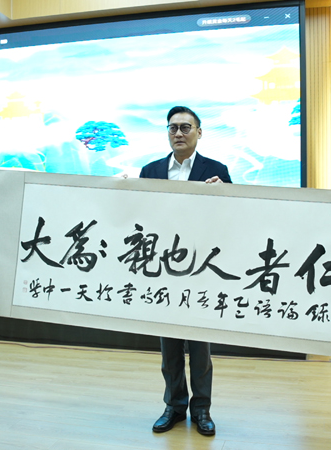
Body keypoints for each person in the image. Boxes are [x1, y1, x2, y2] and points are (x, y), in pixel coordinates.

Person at [139, 106, 231, 437]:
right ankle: (174, 406)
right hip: (162, 269)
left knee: (200, 346)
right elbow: (139, 216)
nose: (178, 133)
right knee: (169, 347)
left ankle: (202, 408)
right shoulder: (150, 171)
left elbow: (234, 216)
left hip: (201, 268)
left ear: (199, 132)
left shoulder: (216, 170)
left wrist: (224, 194)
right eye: (173, 128)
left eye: (185, 127)